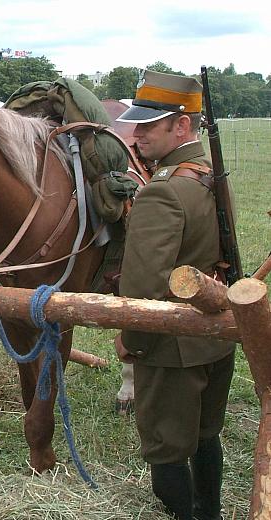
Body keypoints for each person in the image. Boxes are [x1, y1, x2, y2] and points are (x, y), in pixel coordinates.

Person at [114, 70, 235, 520]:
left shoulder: (162, 192)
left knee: (165, 449)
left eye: (149, 124)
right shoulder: (207, 177)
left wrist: (133, 342)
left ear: (181, 126)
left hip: (168, 346)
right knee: (206, 436)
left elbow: (144, 287)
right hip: (215, 334)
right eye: (136, 123)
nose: (136, 132)